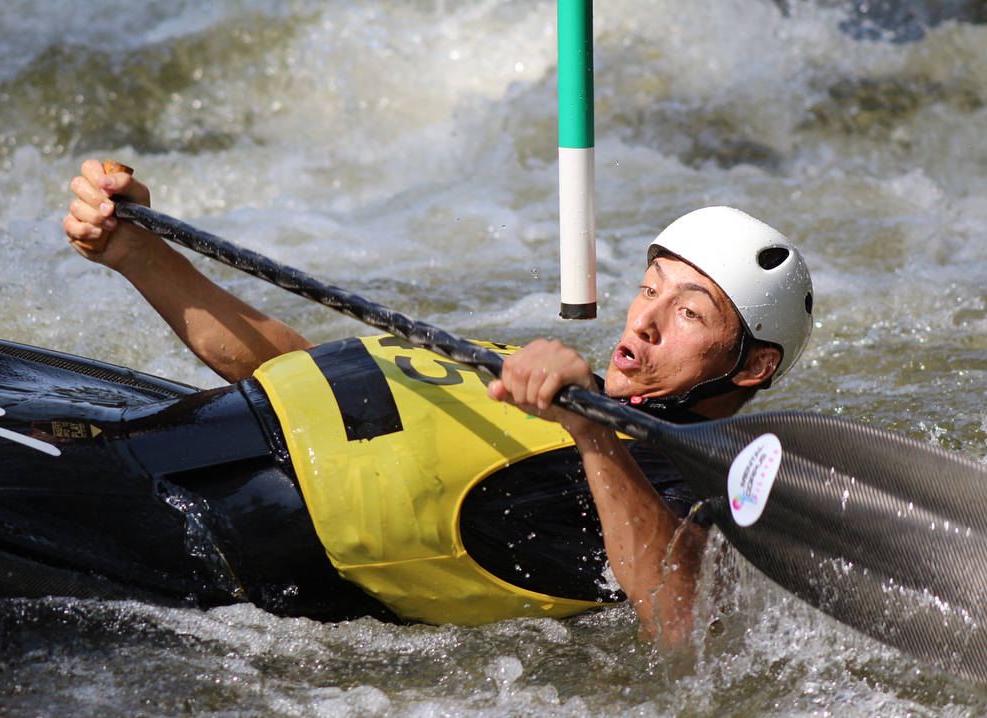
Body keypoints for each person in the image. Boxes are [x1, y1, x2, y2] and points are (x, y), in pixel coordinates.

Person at [62, 159, 814, 643]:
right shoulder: (545, 387)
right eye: (649, 288)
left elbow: (683, 624)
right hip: (194, 456)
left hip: (221, 554)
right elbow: (306, 379)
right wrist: (138, 254)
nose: (643, 319)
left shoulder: (694, 487)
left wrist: (591, 433)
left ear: (752, 369)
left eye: (688, 312)